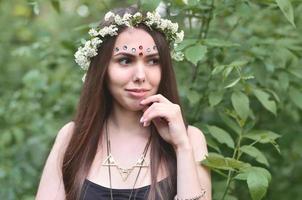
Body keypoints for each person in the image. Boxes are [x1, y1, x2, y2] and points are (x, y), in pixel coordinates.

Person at [36, 6, 211, 200]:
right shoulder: (72, 138)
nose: (140, 76)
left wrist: (181, 148)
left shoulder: (191, 140)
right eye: (125, 60)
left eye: (153, 61)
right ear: (102, 68)